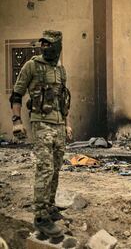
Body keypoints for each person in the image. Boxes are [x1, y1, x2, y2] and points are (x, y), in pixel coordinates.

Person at [9, 30, 72, 237]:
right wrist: (17, 121)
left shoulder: (61, 70)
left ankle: (50, 208)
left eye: (49, 44)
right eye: (42, 44)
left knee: (55, 168)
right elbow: (17, 94)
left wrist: (67, 124)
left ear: (58, 46)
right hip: (41, 124)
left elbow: (63, 100)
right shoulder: (31, 66)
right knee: (44, 169)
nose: (45, 47)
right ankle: (40, 218)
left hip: (59, 125)